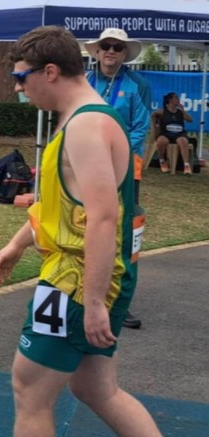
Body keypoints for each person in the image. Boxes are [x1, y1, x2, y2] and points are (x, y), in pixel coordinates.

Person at [0, 26, 208, 437]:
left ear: (49, 72)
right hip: (76, 274)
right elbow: (65, 202)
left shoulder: (87, 126)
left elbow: (104, 218)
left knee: (30, 388)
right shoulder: (81, 119)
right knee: (94, 387)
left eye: (20, 77)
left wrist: (92, 302)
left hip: (74, 280)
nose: (18, 88)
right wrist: (21, 242)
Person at [85, 28, 150, 330]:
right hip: (87, 167)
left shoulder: (137, 85)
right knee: (85, 226)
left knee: (124, 233)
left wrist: (115, 157)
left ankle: (120, 302)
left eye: (118, 48)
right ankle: (85, 293)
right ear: (97, 51)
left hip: (124, 171)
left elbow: (140, 127)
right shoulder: (84, 81)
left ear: (125, 54)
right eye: (106, 46)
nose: (111, 51)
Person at [153, 92, 194, 174]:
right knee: (161, 141)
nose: (178, 100)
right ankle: (162, 161)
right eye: (176, 98)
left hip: (179, 133)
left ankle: (186, 165)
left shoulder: (180, 112)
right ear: (170, 100)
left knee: (182, 141)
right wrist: (155, 126)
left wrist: (183, 111)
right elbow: (153, 116)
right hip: (166, 133)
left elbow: (190, 120)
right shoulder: (162, 111)